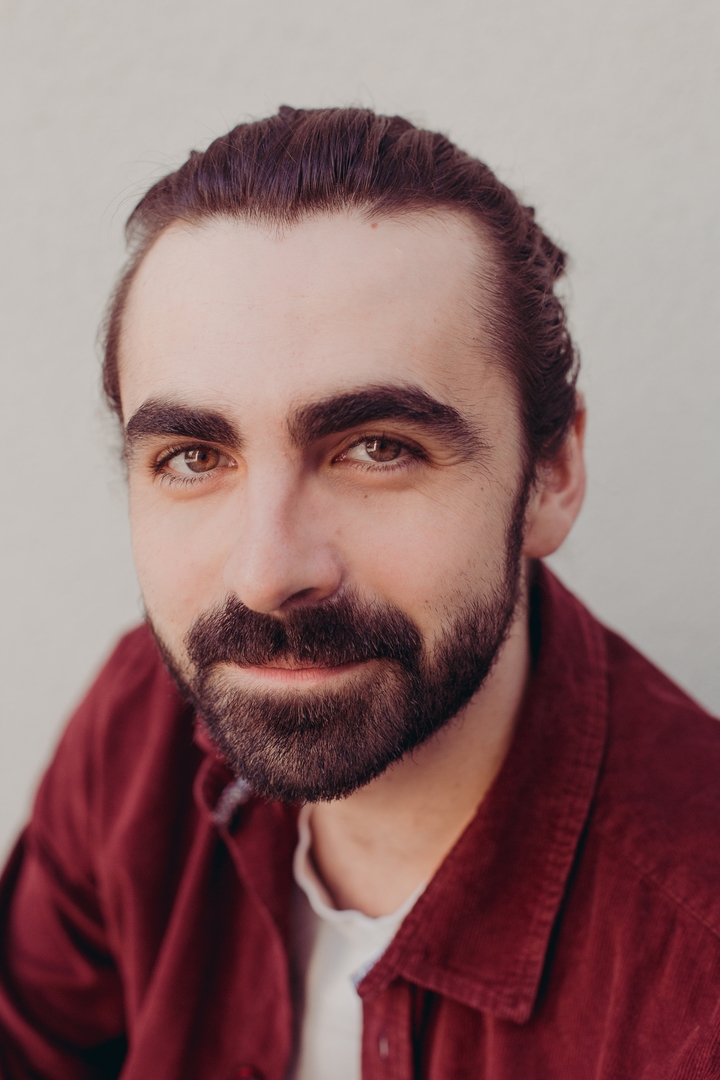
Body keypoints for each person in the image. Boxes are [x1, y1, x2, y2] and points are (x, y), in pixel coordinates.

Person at [0, 106, 718, 1080]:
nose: (267, 574)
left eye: (379, 448)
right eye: (194, 456)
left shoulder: (695, 968)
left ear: (551, 475)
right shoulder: (142, 726)